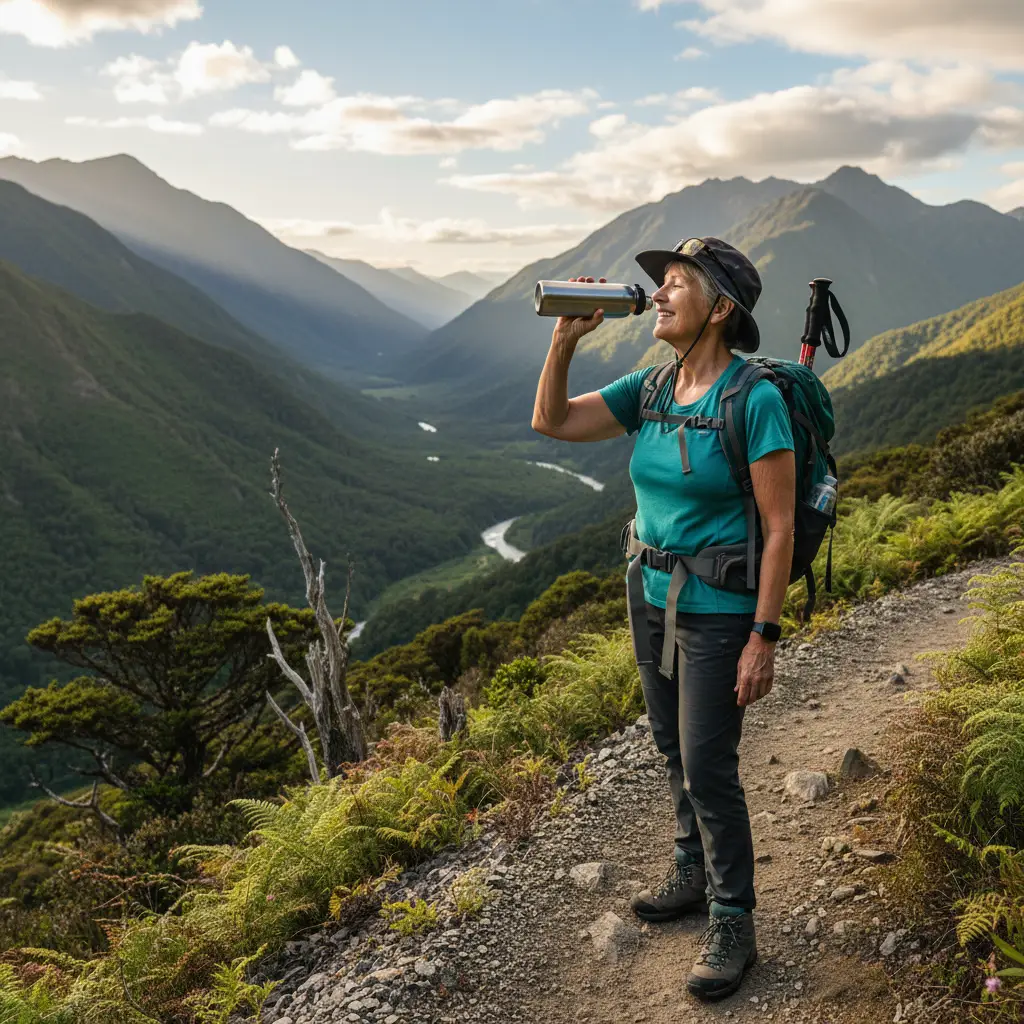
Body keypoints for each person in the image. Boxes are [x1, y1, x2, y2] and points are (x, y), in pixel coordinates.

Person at [531, 237, 795, 1001]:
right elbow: (552, 422)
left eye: (676, 283)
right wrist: (563, 339)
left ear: (719, 310)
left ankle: (733, 919)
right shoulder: (651, 387)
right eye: (661, 282)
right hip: (647, 593)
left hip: (719, 609)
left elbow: (777, 528)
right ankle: (688, 868)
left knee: (709, 764)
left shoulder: (755, 400)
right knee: (668, 745)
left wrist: (763, 638)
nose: (659, 293)